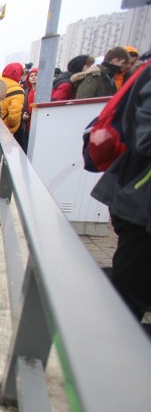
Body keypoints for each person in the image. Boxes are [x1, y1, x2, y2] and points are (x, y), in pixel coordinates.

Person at [91, 57, 151, 323]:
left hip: (134, 193)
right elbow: (145, 139)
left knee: (130, 286)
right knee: (129, 292)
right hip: (138, 199)